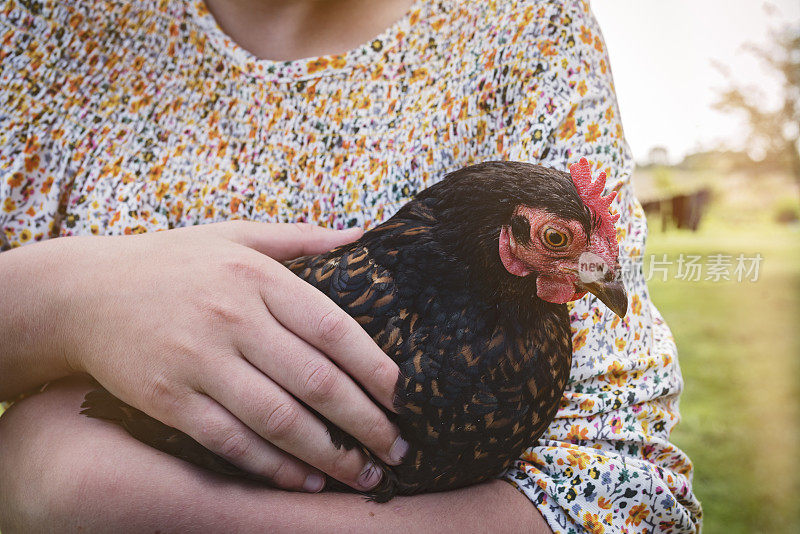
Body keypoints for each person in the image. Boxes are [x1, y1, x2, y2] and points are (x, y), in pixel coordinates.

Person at [0, 0, 703, 531]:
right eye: (558, 242)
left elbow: (632, 497)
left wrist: (94, 491)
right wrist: (61, 299)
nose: (592, 268)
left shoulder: (525, 30)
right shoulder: (45, 32)